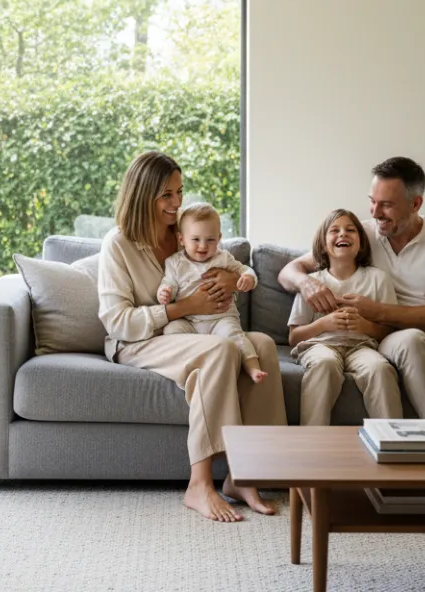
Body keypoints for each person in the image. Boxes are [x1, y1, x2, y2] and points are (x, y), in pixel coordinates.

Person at [98, 151, 287, 522]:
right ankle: (199, 484)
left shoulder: (186, 233)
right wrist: (183, 307)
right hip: (139, 340)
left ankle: (243, 476)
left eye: (179, 191)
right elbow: (117, 321)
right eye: (166, 195)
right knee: (219, 351)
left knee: (261, 345)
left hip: (192, 333)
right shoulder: (117, 245)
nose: (177, 202)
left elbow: (227, 266)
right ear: (143, 195)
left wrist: (233, 280)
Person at [278, 157, 425, 426]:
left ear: (416, 204)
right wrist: (306, 283)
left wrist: (378, 310)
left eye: (387, 205)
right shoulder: (363, 234)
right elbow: (292, 269)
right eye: (373, 201)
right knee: (412, 339)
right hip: (397, 337)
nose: (375, 212)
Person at [288, 208, 402, 424]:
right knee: (325, 364)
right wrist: (323, 323)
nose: (342, 234)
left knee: (380, 368)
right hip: (320, 346)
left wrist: (365, 326)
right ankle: (312, 441)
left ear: (361, 243)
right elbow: (294, 337)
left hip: (362, 347)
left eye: (350, 230)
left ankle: (392, 441)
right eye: (334, 230)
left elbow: (389, 331)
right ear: (323, 244)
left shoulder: (378, 279)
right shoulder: (312, 283)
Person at [157, 202, 266, 384]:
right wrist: (165, 292)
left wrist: (248, 277)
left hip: (220, 319)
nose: (203, 246)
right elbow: (168, 282)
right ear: (181, 239)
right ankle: (186, 366)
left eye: (210, 240)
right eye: (196, 239)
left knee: (234, 335)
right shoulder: (175, 263)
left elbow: (244, 269)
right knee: (171, 330)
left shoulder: (223, 258)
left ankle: (253, 367)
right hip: (189, 321)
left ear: (219, 238)